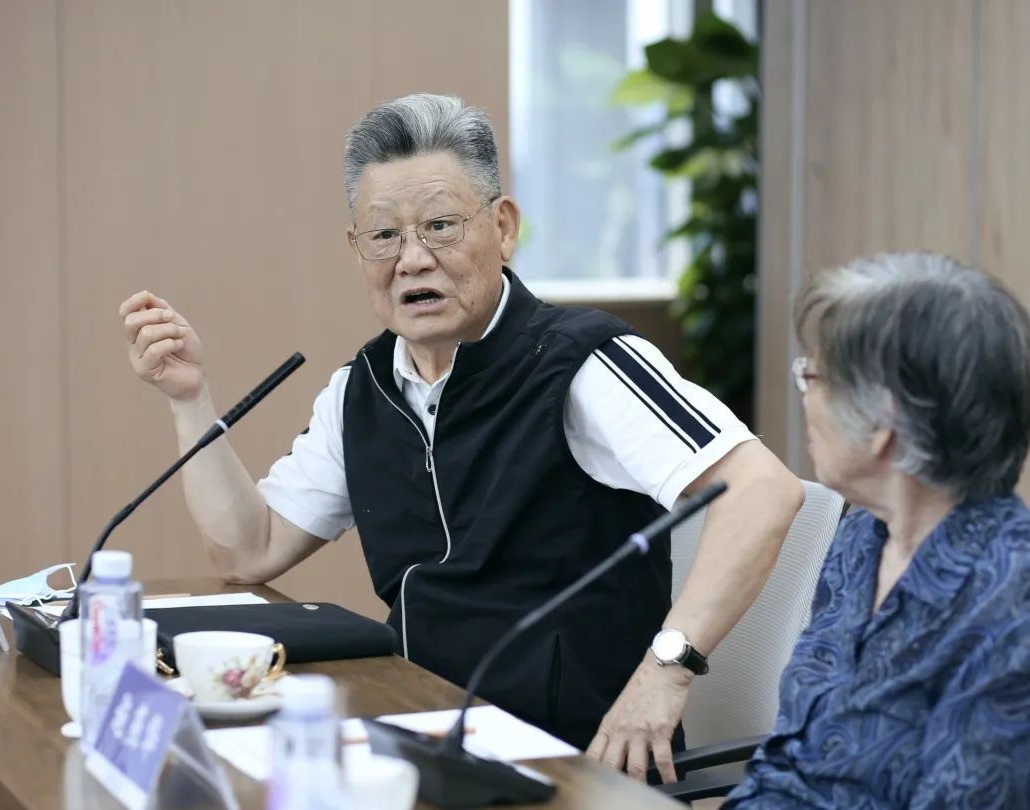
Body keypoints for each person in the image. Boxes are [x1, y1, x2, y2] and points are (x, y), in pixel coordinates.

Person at [119, 93, 802, 782]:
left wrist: (667, 670)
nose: (412, 259)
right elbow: (250, 549)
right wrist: (189, 401)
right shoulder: (364, 389)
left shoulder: (582, 364)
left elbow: (761, 490)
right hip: (420, 734)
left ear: (502, 228)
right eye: (384, 236)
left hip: (569, 761)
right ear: (356, 249)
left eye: (441, 226)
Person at [717, 253, 1030, 807]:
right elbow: (791, 756)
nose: (805, 395)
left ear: (883, 422)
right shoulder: (863, 538)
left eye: (813, 376)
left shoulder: (1012, 597)